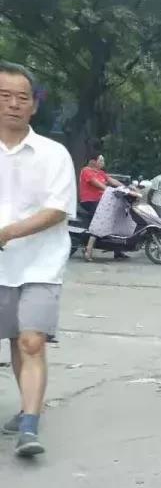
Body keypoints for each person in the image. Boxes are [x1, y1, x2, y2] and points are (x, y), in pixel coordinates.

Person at [0, 61, 78, 458]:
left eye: (22, 97)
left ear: (34, 105)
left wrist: (7, 233)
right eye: (4, 96)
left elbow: (58, 209)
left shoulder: (53, 153)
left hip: (41, 264)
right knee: (16, 339)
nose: (13, 104)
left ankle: (29, 425)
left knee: (31, 341)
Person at [78, 154, 124, 260]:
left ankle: (118, 250)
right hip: (89, 201)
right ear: (93, 161)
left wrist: (125, 187)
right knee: (101, 220)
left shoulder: (101, 172)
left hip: (102, 201)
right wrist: (108, 189)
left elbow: (112, 181)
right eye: (101, 160)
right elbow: (96, 183)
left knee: (116, 218)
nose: (103, 163)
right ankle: (88, 250)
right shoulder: (86, 171)